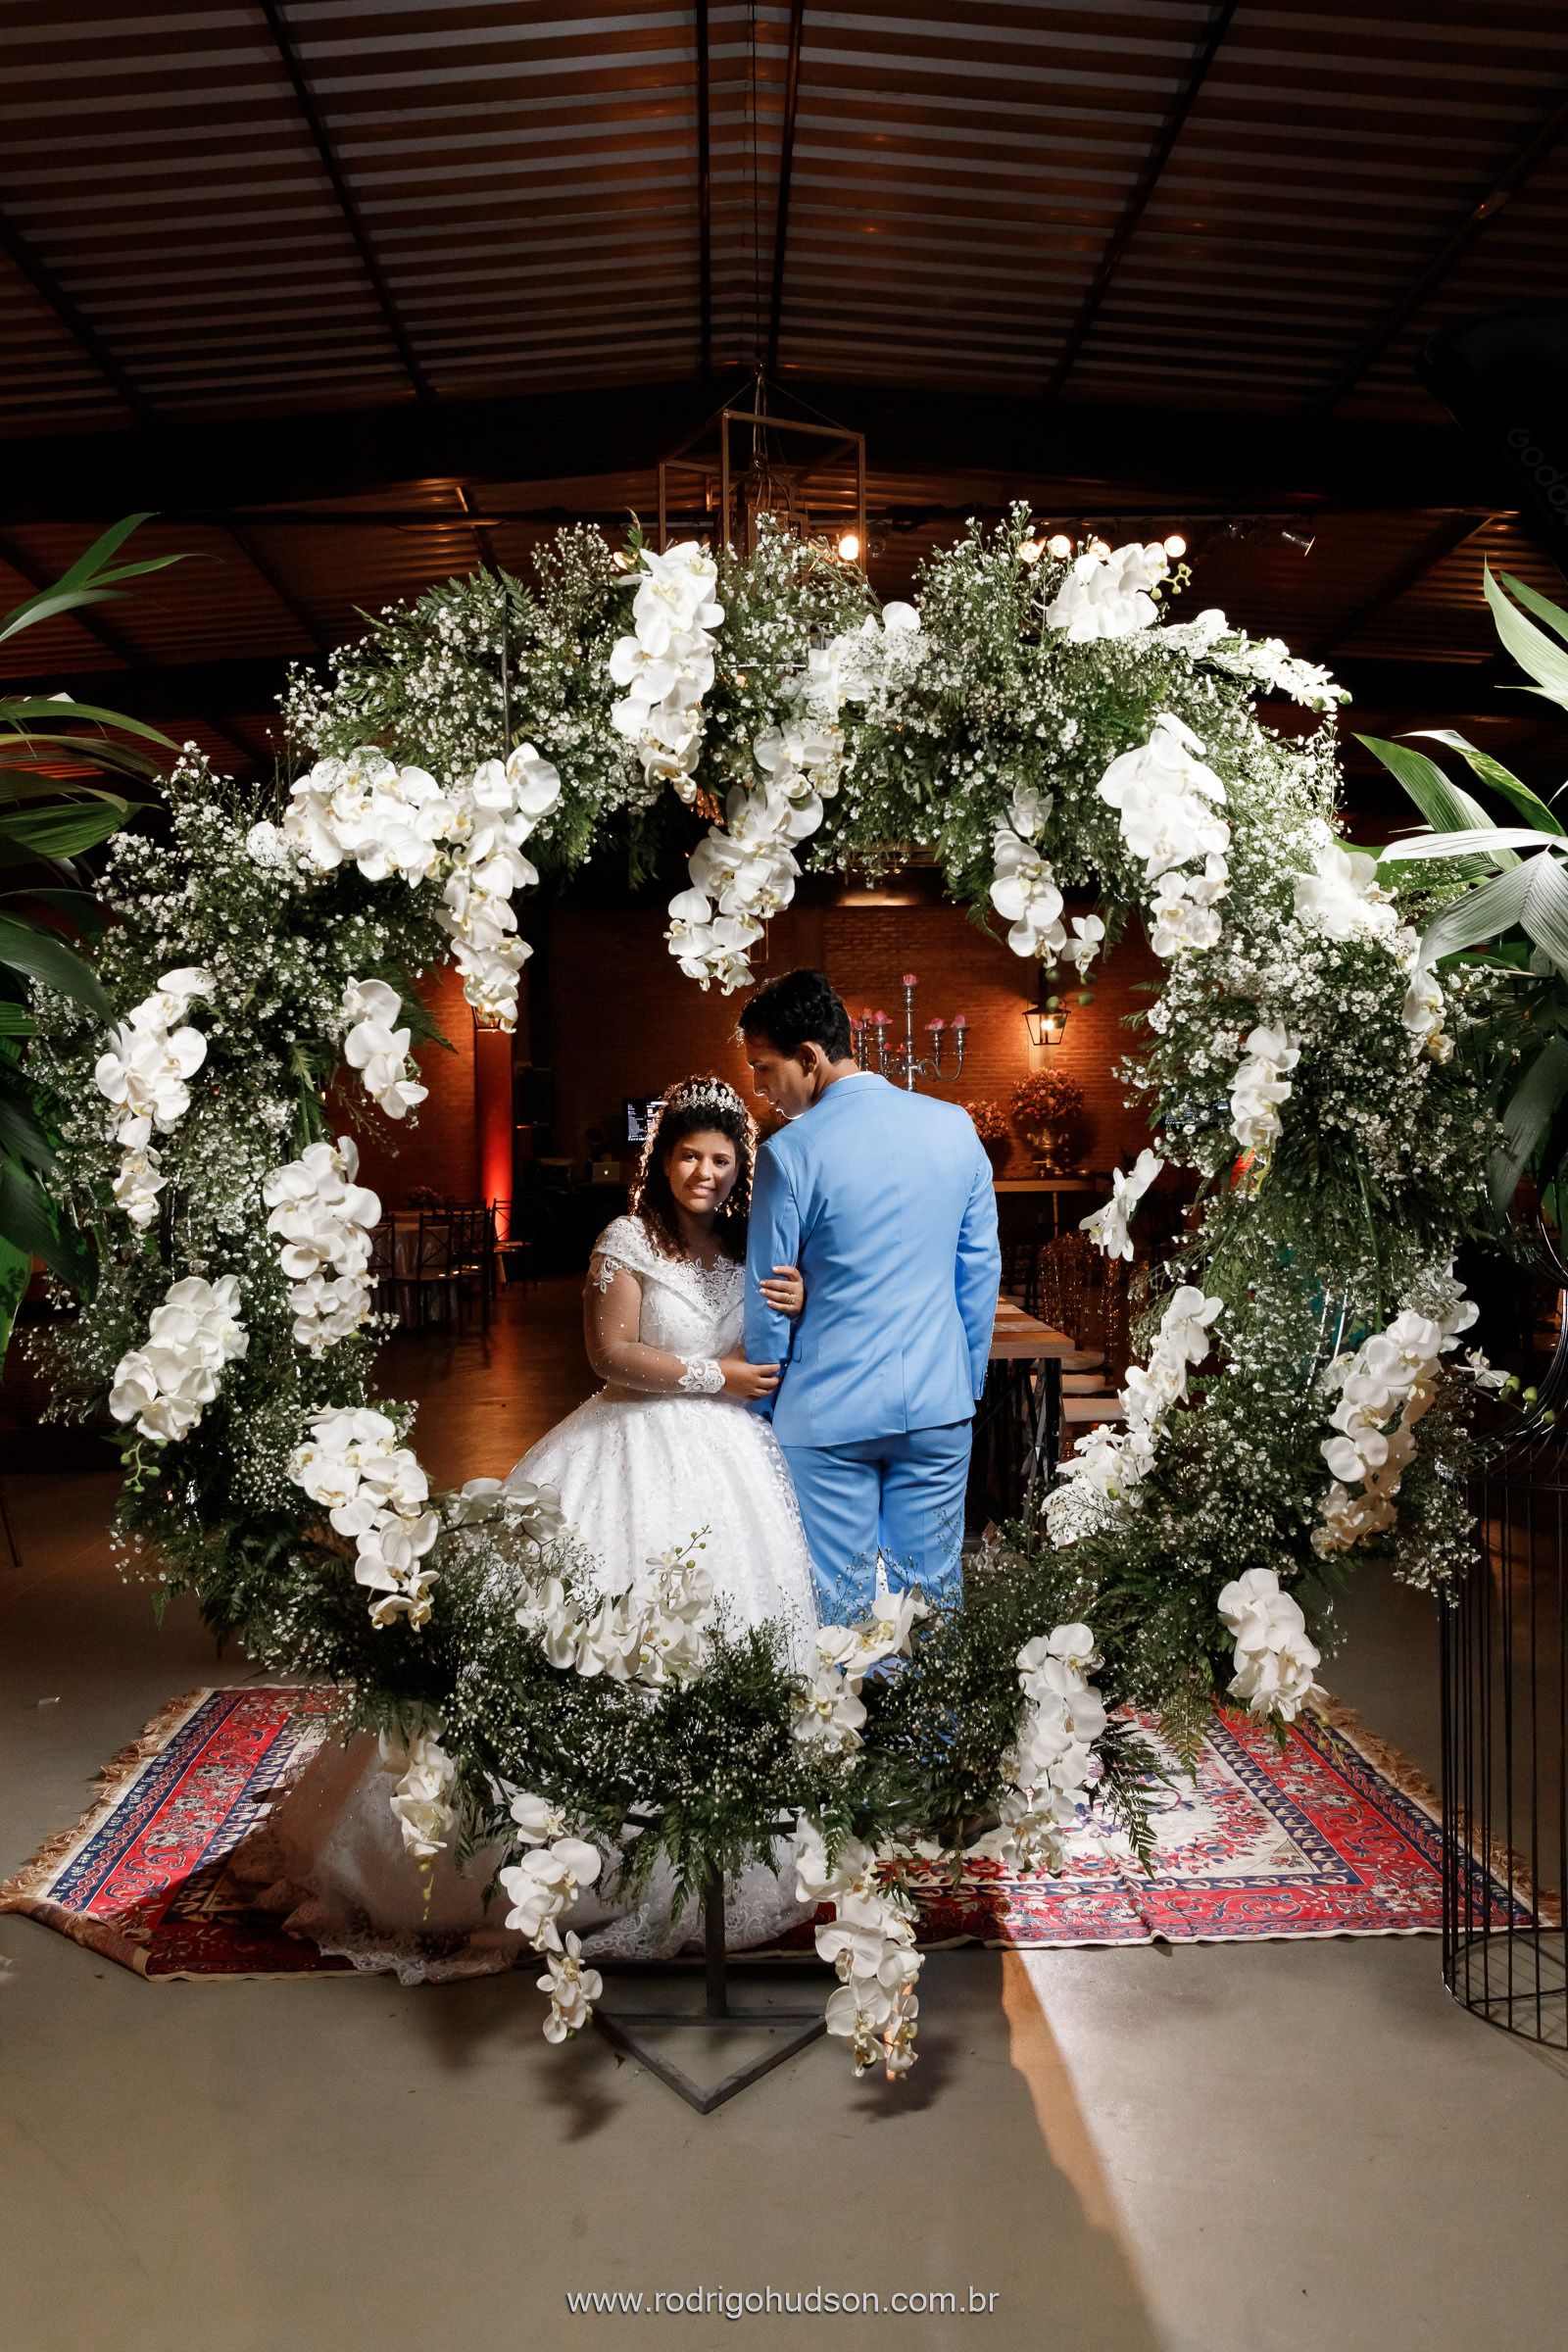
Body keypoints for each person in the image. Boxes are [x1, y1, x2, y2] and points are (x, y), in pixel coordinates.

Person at [233, 1076, 822, 1976]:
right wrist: (718, 1378)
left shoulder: (751, 1246)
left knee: (733, 1632)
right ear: (661, 1163)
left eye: (720, 1158)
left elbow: (772, 1346)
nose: (703, 1172)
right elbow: (611, 1356)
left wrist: (788, 1307)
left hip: (733, 1465)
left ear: (741, 1167)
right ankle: (547, 1861)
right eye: (688, 1155)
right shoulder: (626, 1239)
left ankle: (715, 1836)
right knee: (577, 1633)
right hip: (629, 1447)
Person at [740, 968, 1002, 1618]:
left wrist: (761, 1413)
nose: (760, 1088)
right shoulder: (954, 1127)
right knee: (931, 1596)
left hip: (827, 1411)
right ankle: (934, 1724)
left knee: (841, 1603)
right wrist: (962, 1382)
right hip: (938, 1403)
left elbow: (770, 1295)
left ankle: (851, 1721)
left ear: (809, 1057)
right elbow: (979, 1272)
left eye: (765, 1069)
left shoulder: (787, 1152)